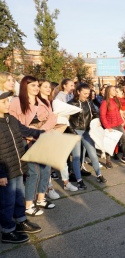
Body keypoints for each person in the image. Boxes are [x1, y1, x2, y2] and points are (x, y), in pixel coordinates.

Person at [9, 76, 57, 216]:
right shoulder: (17, 101)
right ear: (25, 86)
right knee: (33, 172)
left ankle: (41, 198)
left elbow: (52, 118)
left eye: (37, 85)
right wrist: (30, 133)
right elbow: (14, 123)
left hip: (43, 137)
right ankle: (29, 204)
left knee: (46, 169)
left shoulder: (43, 101)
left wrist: (42, 131)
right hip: (26, 140)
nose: (37, 88)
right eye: (33, 86)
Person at [0, 91, 43, 244]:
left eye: (9, 101)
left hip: (17, 166)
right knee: (7, 201)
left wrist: (42, 133)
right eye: (4, 102)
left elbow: (25, 130)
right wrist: (1, 173)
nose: (8, 104)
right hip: (5, 171)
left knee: (19, 196)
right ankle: (7, 231)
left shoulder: (10, 119)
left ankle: (21, 221)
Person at [38, 79, 78, 198]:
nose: (48, 88)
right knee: (47, 163)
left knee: (62, 158)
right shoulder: (38, 102)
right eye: (45, 86)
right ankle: (48, 187)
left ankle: (66, 182)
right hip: (44, 134)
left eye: (49, 86)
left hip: (56, 131)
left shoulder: (50, 101)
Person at [68, 83, 107, 189]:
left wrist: (96, 121)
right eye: (85, 93)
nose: (87, 95)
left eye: (88, 93)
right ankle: (79, 180)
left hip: (87, 131)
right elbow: (67, 120)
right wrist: (73, 132)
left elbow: (95, 113)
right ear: (78, 92)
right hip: (75, 131)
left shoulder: (89, 102)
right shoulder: (71, 103)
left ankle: (99, 175)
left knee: (93, 154)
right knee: (76, 157)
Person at [100, 86, 125, 166]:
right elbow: (102, 116)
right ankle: (108, 161)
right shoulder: (105, 102)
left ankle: (124, 156)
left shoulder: (116, 100)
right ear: (108, 91)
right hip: (110, 126)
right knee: (109, 143)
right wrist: (107, 127)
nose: (115, 91)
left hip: (118, 124)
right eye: (113, 90)